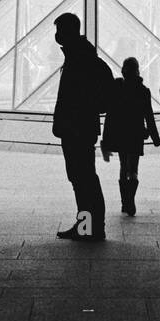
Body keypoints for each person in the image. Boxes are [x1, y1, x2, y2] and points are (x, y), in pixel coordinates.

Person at [52, 13, 109, 241]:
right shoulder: (84, 55)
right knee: (83, 177)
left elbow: (74, 96)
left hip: (76, 127)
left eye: (58, 31)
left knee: (82, 179)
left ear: (67, 31)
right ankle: (90, 226)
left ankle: (89, 228)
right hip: (82, 126)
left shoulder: (79, 58)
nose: (56, 36)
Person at [101, 57, 160, 215]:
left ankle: (124, 202)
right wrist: (155, 138)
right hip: (136, 134)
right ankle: (131, 199)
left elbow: (109, 112)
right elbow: (149, 116)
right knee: (133, 168)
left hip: (119, 133)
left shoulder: (117, 86)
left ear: (123, 70)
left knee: (122, 165)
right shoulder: (143, 90)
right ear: (137, 70)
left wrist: (106, 138)